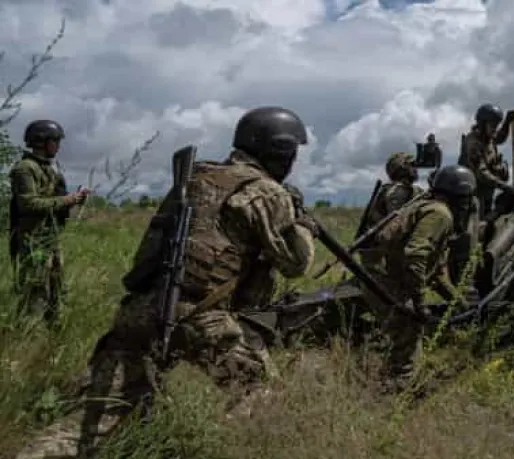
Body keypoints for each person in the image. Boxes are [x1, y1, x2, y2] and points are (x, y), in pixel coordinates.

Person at [14, 106, 317, 459]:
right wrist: (303, 227)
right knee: (263, 395)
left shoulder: (195, 176)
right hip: (200, 319)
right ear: (281, 150)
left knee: (94, 417)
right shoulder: (266, 192)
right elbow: (295, 264)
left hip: (138, 311)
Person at [363, 164, 477, 392]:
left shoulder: (428, 207)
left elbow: (436, 273)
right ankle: (398, 389)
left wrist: (460, 304)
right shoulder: (441, 215)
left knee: (407, 337)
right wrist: (419, 302)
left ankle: (399, 381)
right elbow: (415, 255)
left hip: (382, 277)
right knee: (408, 331)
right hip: (389, 281)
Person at [8, 119, 90, 326]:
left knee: (57, 292)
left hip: (50, 238)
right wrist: (67, 200)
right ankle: (28, 337)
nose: (59, 146)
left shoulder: (50, 169)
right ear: (42, 141)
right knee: (35, 293)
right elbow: (28, 204)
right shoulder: (25, 169)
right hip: (33, 241)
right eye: (55, 141)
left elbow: (54, 203)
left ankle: (52, 335)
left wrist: (76, 199)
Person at [359, 152, 424, 273]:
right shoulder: (397, 191)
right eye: (412, 165)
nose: (416, 169)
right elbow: (396, 225)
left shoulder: (409, 190)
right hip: (385, 252)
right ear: (402, 168)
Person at [458, 103, 514, 218]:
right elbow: (482, 173)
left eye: (497, 125)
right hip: (474, 192)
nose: (495, 129)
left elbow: (499, 138)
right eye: (493, 125)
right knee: (477, 219)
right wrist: (504, 187)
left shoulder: (488, 137)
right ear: (482, 124)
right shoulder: (473, 143)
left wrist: (507, 123)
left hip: (487, 189)